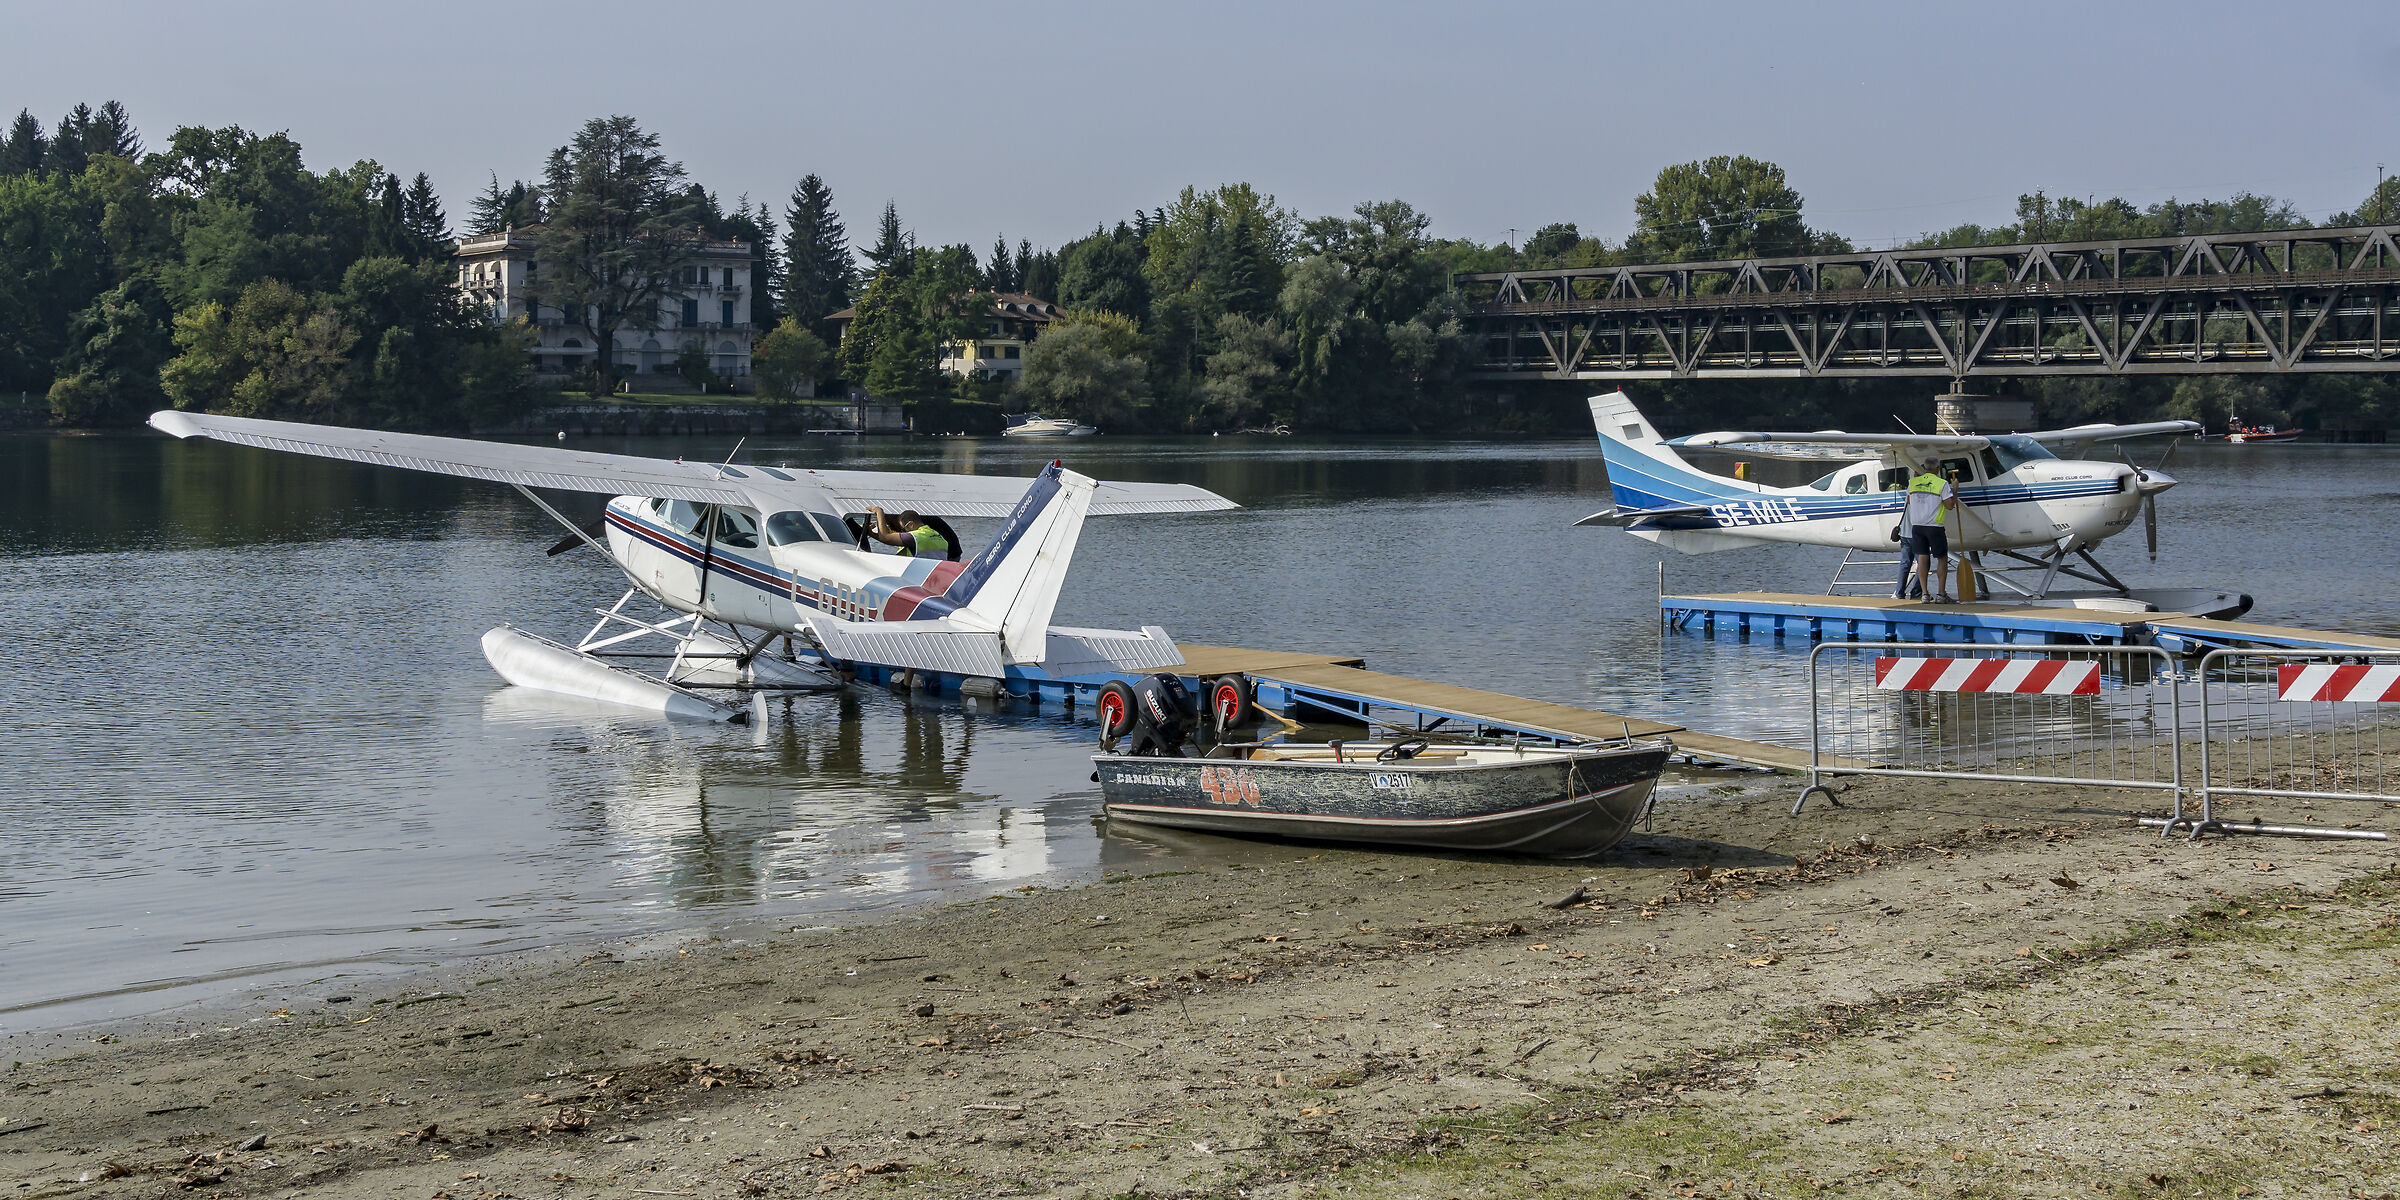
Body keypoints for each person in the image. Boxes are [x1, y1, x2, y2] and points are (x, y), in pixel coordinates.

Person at [1894, 464, 1958, 603]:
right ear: (1937, 469)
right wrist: (1955, 490)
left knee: (1919, 560)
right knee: (1941, 558)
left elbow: (1910, 501)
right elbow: (1949, 506)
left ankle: (1923, 594)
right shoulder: (1941, 483)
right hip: (1934, 527)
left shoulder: (1913, 483)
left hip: (1916, 528)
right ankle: (1941, 594)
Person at [866, 506, 949, 558]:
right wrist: (872, 534)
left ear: (911, 524)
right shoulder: (937, 535)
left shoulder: (916, 536)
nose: (903, 532)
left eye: (903, 529)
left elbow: (885, 537)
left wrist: (879, 511)